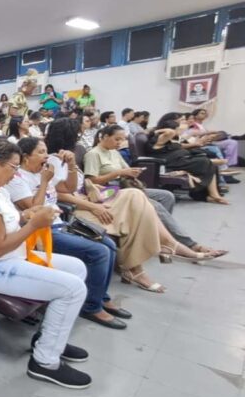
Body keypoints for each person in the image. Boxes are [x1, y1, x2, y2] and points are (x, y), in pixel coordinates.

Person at [0, 140, 91, 389]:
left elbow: (9, 218)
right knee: (73, 289)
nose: (16, 174)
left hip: (12, 257)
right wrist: (33, 225)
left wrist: (27, 215)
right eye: (13, 167)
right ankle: (45, 362)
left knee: (77, 268)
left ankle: (49, 338)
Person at [46, 119, 200, 292]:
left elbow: (84, 182)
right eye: (78, 134)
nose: (80, 138)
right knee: (136, 206)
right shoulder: (55, 159)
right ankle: (141, 265)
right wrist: (93, 205)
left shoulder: (73, 155)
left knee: (137, 196)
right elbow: (58, 193)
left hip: (92, 195)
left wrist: (91, 185)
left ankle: (166, 246)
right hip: (80, 205)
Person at [6, 137, 128, 329]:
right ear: (25, 157)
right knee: (99, 252)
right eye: (40, 152)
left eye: (46, 151)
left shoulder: (42, 173)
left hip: (59, 224)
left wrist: (71, 166)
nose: (46, 156)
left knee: (109, 245)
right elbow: (33, 210)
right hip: (40, 232)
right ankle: (92, 307)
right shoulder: (17, 178)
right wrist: (45, 182)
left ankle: (101, 297)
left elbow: (70, 188)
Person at [85, 125, 225, 258]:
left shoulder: (113, 153)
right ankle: (190, 244)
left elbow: (125, 170)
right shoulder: (93, 154)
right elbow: (92, 181)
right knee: (155, 205)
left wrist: (131, 173)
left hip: (126, 187)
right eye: (117, 139)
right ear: (103, 137)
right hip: (110, 191)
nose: (120, 143)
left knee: (167, 196)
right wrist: (118, 173)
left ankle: (159, 237)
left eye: (122, 139)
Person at [147, 113, 228, 204]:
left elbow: (176, 141)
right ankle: (209, 195)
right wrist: (157, 130)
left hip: (180, 161)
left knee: (208, 163)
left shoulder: (168, 139)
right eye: (177, 128)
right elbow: (171, 132)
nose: (179, 130)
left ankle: (212, 194)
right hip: (170, 163)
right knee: (205, 161)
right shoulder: (160, 138)